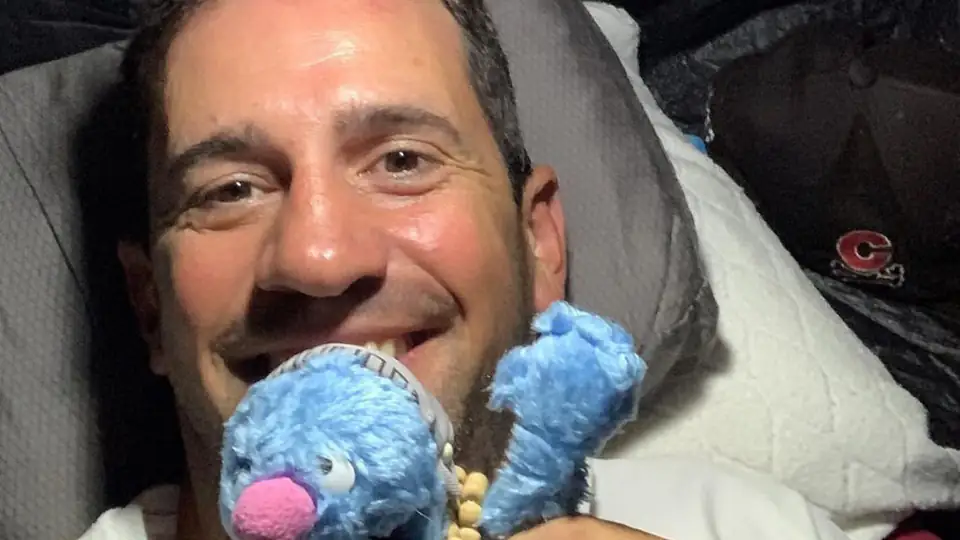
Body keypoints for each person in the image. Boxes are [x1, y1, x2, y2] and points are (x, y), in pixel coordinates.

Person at [80, 0, 852, 538]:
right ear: (150, 308)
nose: (319, 258)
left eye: (402, 160)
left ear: (539, 245)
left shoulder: (750, 525)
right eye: (231, 191)